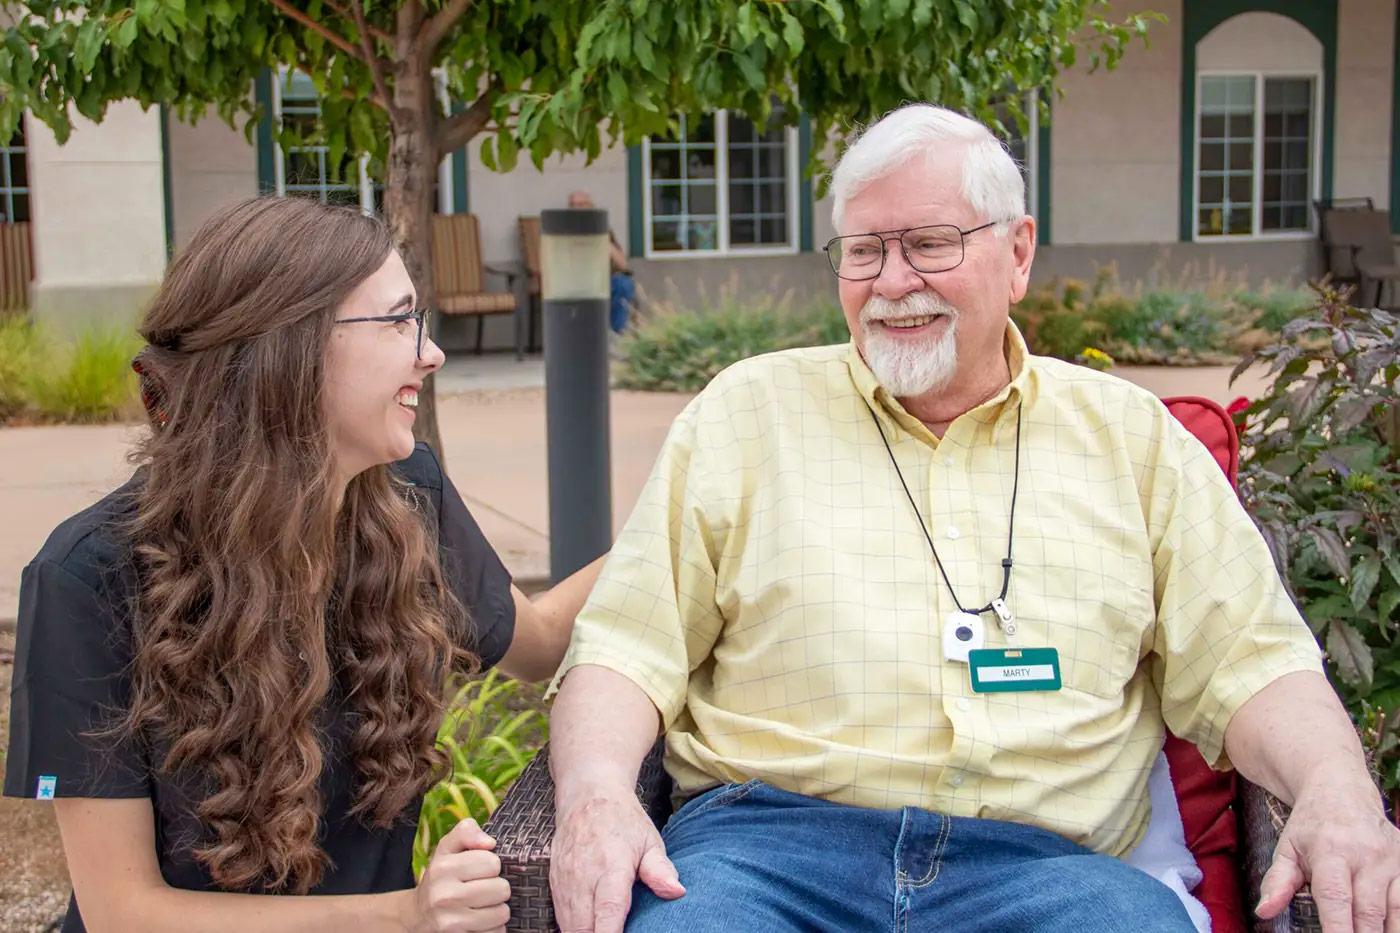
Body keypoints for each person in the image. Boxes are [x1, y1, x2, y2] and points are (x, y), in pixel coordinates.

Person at [545, 104, 1400, 932]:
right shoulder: (743, 416)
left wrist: (1336, 786)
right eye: (864, 251)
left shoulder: (1133, 440)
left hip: (1052, 870)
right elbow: (624, 649)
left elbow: (1252, 661)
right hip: (767, 855)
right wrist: (596, 796)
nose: (891, 281)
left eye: (928, 244)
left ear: (1017, 252)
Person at [4, 196, 601, 932]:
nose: (431, 351)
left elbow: (538, 642)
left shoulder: (406, 494)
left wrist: (688, 504)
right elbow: (124, 912)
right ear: (289, 349)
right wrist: (407, 914)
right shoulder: (89, 573)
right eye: (396, 320)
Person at [567, 190, 635, 334]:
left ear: (590, 206)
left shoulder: (602, 228)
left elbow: (623, 264)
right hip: (577, 281)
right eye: (572, 205)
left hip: (605, 280)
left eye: (580, 204)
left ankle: (617, 337)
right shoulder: (563, 229)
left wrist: (604, 241)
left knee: (623, 284)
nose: (576, 208)